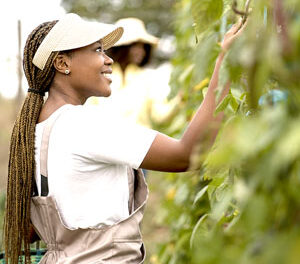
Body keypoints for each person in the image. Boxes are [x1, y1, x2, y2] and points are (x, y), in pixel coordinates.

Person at [4, 13, 247, 264]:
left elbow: (32, 230)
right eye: (98, 49)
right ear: (62, 63)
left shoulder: (36, 131)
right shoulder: (84, 124)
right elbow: (186, 155)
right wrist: (226, 64)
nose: (108, 59)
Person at [87, 17, 180, 129]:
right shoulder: (100, 75)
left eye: (143, 46)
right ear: (123, 47)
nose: (141, 51)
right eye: (136, 46)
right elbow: (89, 114)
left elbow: (160, 116)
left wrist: (180, 98)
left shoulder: (148, 78)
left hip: (140, 144)